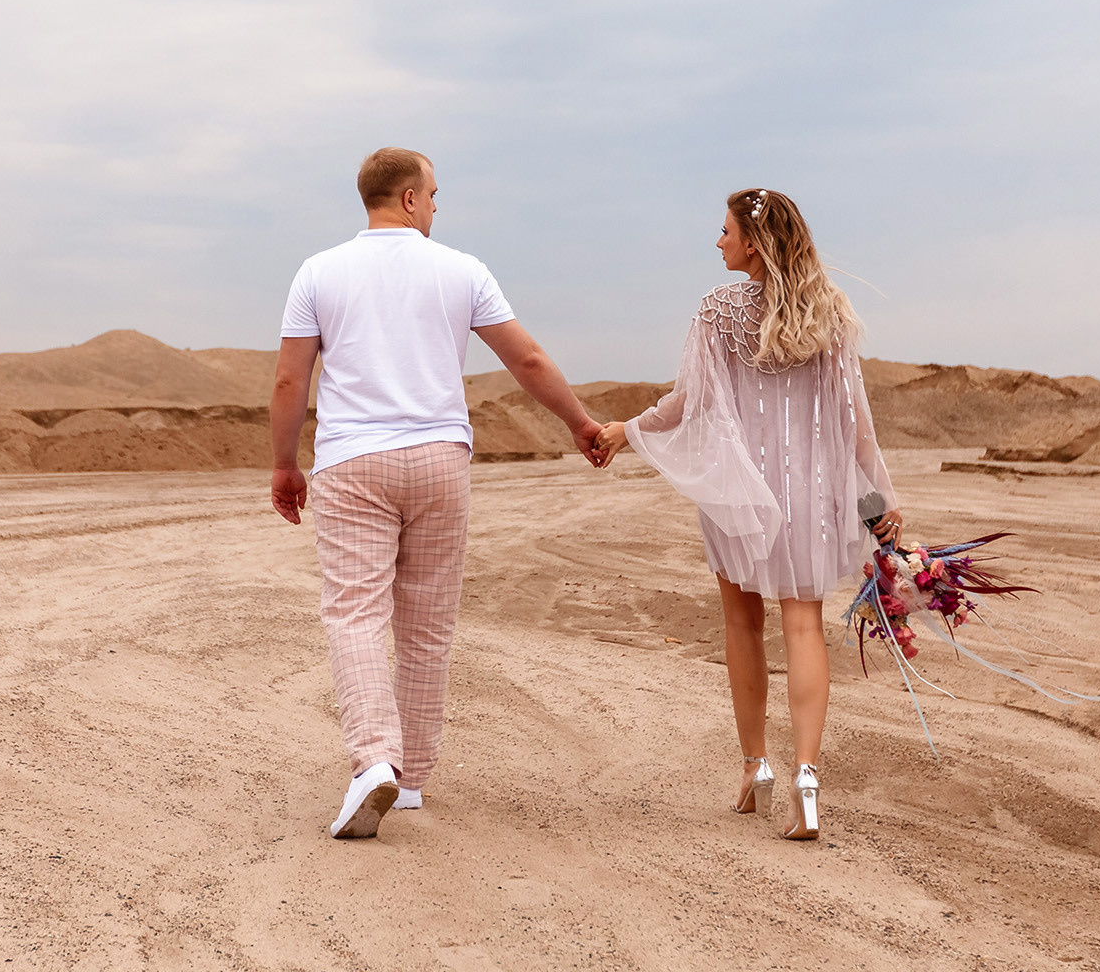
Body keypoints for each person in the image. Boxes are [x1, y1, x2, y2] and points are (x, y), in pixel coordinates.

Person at [271, 147, 610, 840]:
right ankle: (414, 775)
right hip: (438, 462)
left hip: (353, 462)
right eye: (432, 194)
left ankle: (374, 761)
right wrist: (579, 423)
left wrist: (284, 465)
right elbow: (527, 359)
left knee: (355, 613)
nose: (435, 206)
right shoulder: (462, 270)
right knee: (426, 625)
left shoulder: (318, 272)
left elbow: (289, 382)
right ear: (406, 199)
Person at [594, 188, 902, 840]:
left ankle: (756, 766)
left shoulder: (718, 311)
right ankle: (808, 779)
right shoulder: (830, 314)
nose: (718, 241)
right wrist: (880, 504)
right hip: (811, 498)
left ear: (755, 243)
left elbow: (689, 403)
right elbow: (856, 428)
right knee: (803, 628)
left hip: (738, 493)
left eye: (726, 230)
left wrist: (627, 431)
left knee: (742, 623)